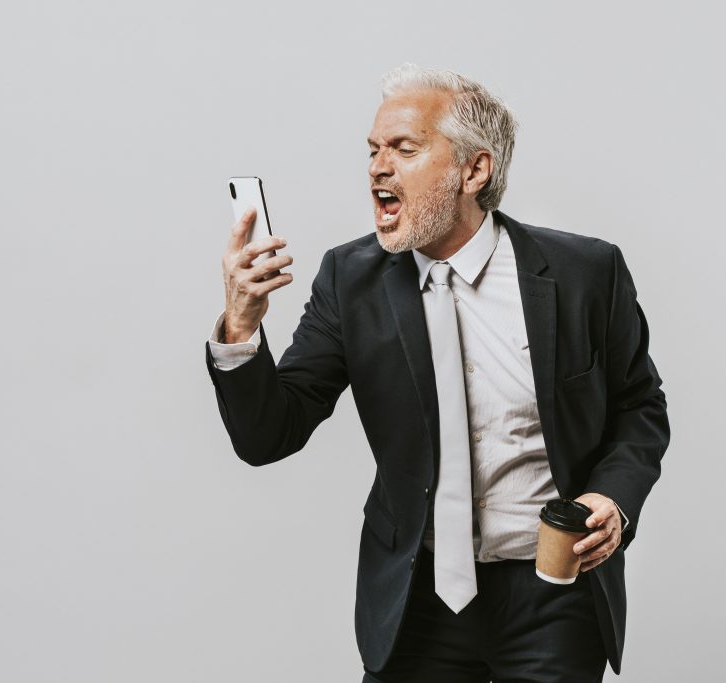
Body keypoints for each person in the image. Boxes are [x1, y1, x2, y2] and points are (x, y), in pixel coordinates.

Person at [204, 64, 669, 682]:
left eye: (404, 148)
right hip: (415, 602)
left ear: (474, 171)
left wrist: (613, 498)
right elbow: (268, 436)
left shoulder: (586, 272)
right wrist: (240, 325)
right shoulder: (350, 281)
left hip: (553, 595)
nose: (376, 167)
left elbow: (640, 406)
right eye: (372, 150)